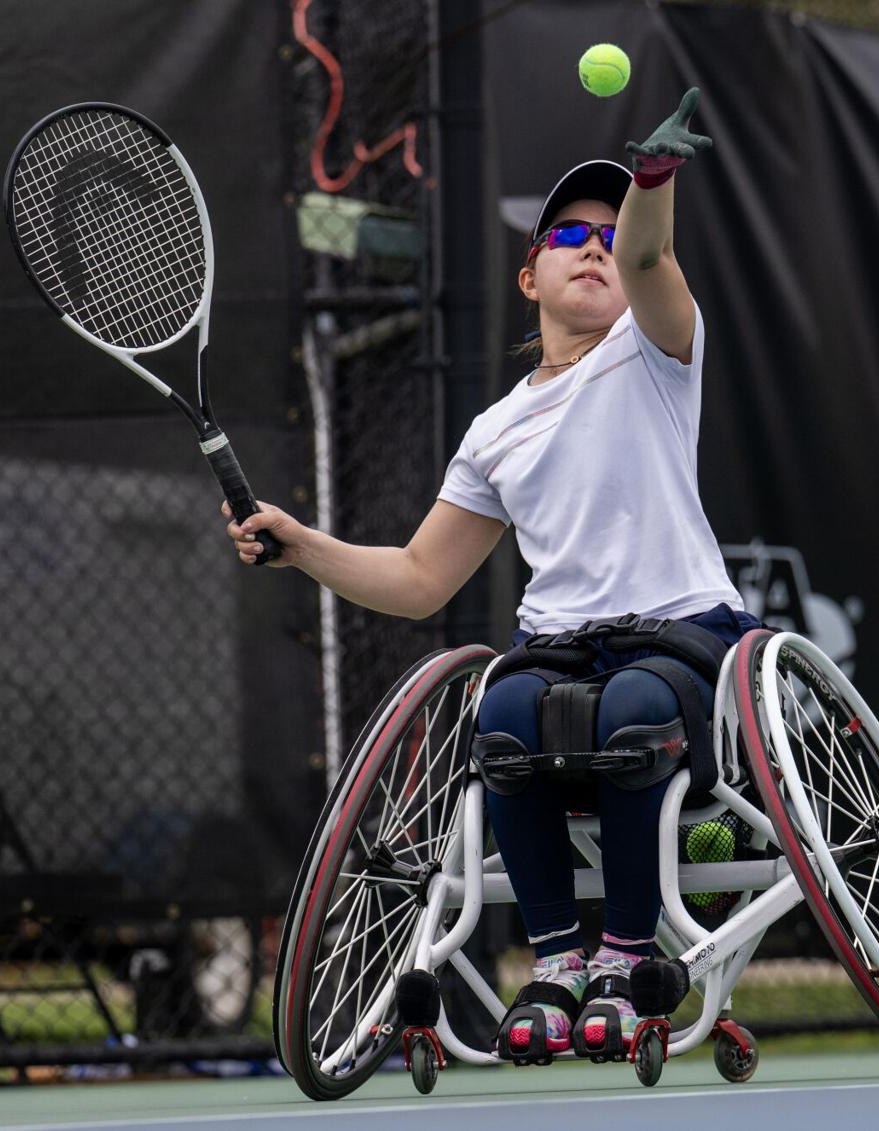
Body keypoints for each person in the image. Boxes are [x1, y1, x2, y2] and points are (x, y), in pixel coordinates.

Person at [222, 88, 759, 1062]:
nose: (594, 245)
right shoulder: (496, 431)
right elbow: (422, 577)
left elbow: (647, 254)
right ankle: (554, 966)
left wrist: (651, 177)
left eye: (605, 231)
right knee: (501, 718)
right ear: (529, 277)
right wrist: (302, 545)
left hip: (681, 639)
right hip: (555, 650)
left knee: (634, 706)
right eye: (568, 235)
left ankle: (621, 959)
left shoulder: (655, 351)